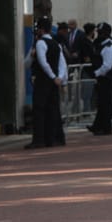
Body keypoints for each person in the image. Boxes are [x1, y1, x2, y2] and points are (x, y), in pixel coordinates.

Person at [28, 16, 68, 150]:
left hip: (43, 81)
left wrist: (52, 76)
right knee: (53, 109)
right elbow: (63, 63)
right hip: (54, 82)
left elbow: (42, 62)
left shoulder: (40, 43)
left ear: (40, 29)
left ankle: (39, 139)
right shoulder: (56, 44)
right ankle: (55, 138)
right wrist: (59, 78)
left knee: (39, 109)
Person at [87, 24, 112, 136]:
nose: (98, 35)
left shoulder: (109, 47)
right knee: (101, 103)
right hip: (102, 78)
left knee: (105, 103)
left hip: (107, 78)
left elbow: (107, 66)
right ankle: (98, 125)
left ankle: (105, 127)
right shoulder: (100, 45)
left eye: (101, 33)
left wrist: (96, 73)